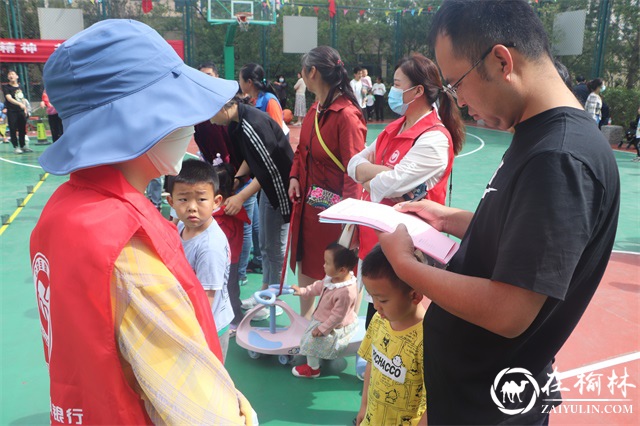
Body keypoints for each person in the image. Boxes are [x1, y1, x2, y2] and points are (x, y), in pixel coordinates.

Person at [376, 2, 620, 424]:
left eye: (456, 84)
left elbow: (508, 311)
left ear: (502, 61)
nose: (458, 100)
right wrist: (450, 218)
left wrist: (403, 265)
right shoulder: (539, 134)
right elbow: (530, 245)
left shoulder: (560, 157)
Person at [29, 20, 255, 424]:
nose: (189, 126)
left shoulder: (66, 210)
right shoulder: (124, 243)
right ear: (137, 122)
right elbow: (201, 411)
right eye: (175, 111)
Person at [348, 53, 464, 327]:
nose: (392, 90)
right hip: (375, 242)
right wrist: (380, 177)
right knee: (375, 322)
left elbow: (388, 182)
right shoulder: (394, 127)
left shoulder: (434, 139)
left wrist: (374, 176)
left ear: (418, 91)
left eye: (398, 85)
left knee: (398, 327)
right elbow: (354, 164)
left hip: (407, 250)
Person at [288, 46, 367, 319]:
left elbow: (354, 172)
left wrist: (351, 220)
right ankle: (306, 328)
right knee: (308, 266)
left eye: (303, 70)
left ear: (312, 72)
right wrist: (295, 176)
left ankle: (334, 332)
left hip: (335, 216)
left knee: (335, 275)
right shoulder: (315, 109)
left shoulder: (346, 116)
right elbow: (301, 151)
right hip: (309, 212)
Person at [211, 96, 293, 321]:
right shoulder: (237, 124)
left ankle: (273, 300)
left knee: (274, 247)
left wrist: (240, 196)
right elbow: (252, 158)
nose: (210, 120)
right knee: (266, 244)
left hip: (281, 188)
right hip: (268, 187)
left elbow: (269, 169)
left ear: (224, 107)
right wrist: (238, 179)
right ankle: (265, 292)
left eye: (211, 112)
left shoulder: (252, 123)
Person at [168, 159, 234, 362]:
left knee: (212, 383)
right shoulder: (181, 228)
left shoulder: (209, 247)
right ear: (171, 202)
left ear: (216, 202)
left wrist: (187, 332)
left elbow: (206, 299)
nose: (192, 208)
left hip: (208, 327)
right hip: (192, 321)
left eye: (201, 199)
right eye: (183, 200)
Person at [356, 245, 426, 426]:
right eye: (372, 297)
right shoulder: (379, 320)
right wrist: (364, 406)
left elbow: (434, 401)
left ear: (415, 295)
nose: (376, 306)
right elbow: (372, 363)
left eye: (383, 300)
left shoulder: (427, 340)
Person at [290, 242, 359, 378]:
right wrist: (303, 291)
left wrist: (323, 329)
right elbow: (318, 286)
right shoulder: (333, 278)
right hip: (324, 318)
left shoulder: (345, 291)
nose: (323, 265)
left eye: (327, 263)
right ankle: (319, 357)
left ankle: (313, 369)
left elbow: (337, 317)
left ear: (342, 270)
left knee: (311, 341)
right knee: (310, 335)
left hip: (336, 327)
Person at [213, 161, 252, 334]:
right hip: (232, 258)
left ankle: (236, 319)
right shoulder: (232, 207)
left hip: (227, 260)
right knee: (231, 287)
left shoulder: (224, 214)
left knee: (229, 289)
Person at [194, 62, 237, 169]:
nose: (205, 79)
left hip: (230, 158)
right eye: (201, 76)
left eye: (209, 75)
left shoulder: (226, 97)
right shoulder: (197, 101)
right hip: (209, 156)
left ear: (217, 77)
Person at [2, 69, 32, 153]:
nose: (11, 76)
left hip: (21, 111)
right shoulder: (6, 87)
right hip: (12, 111)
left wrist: (25, 108)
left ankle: (23, 146)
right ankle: (16, 146)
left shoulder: (20, 86)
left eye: (12, 74)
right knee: (13, 128)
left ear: (17, 76)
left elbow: (22, 98)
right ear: (8, 77)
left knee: (22, 128)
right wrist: (19, 104)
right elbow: (9, 98)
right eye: (9, 74)